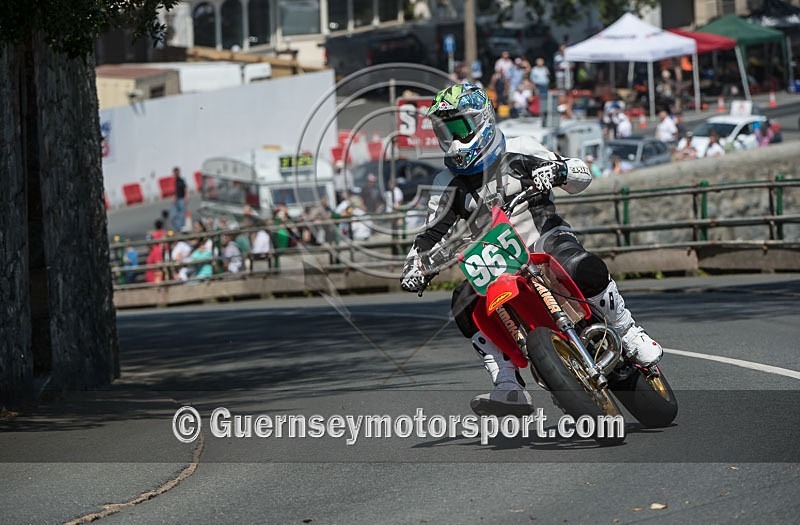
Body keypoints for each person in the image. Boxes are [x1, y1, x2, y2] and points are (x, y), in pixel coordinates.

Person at [400, 83, 664, 417]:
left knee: (581, 265)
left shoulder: (522, 147)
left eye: (456, 127)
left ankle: (627, 331)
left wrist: (559, 170)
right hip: (497, 262)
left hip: (544, 239)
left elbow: (579, 174)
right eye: (443, 130)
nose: (451, 139)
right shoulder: (445, 185)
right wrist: (415, 266)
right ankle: (507, 382)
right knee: (462, 302)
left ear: (479, 119)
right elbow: (429, 235)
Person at [171, 167, 187, 232]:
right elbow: (173, 191)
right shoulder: (173, 181)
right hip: (175, 200)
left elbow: (185, 188)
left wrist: (186, 196)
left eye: (177, 173)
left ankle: (182, 229)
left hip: (181, 199)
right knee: (173, 216)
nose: (176, 174)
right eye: (175, 173)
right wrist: (173, 197)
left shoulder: (181, 180)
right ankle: (179, 228)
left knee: (182, 215)